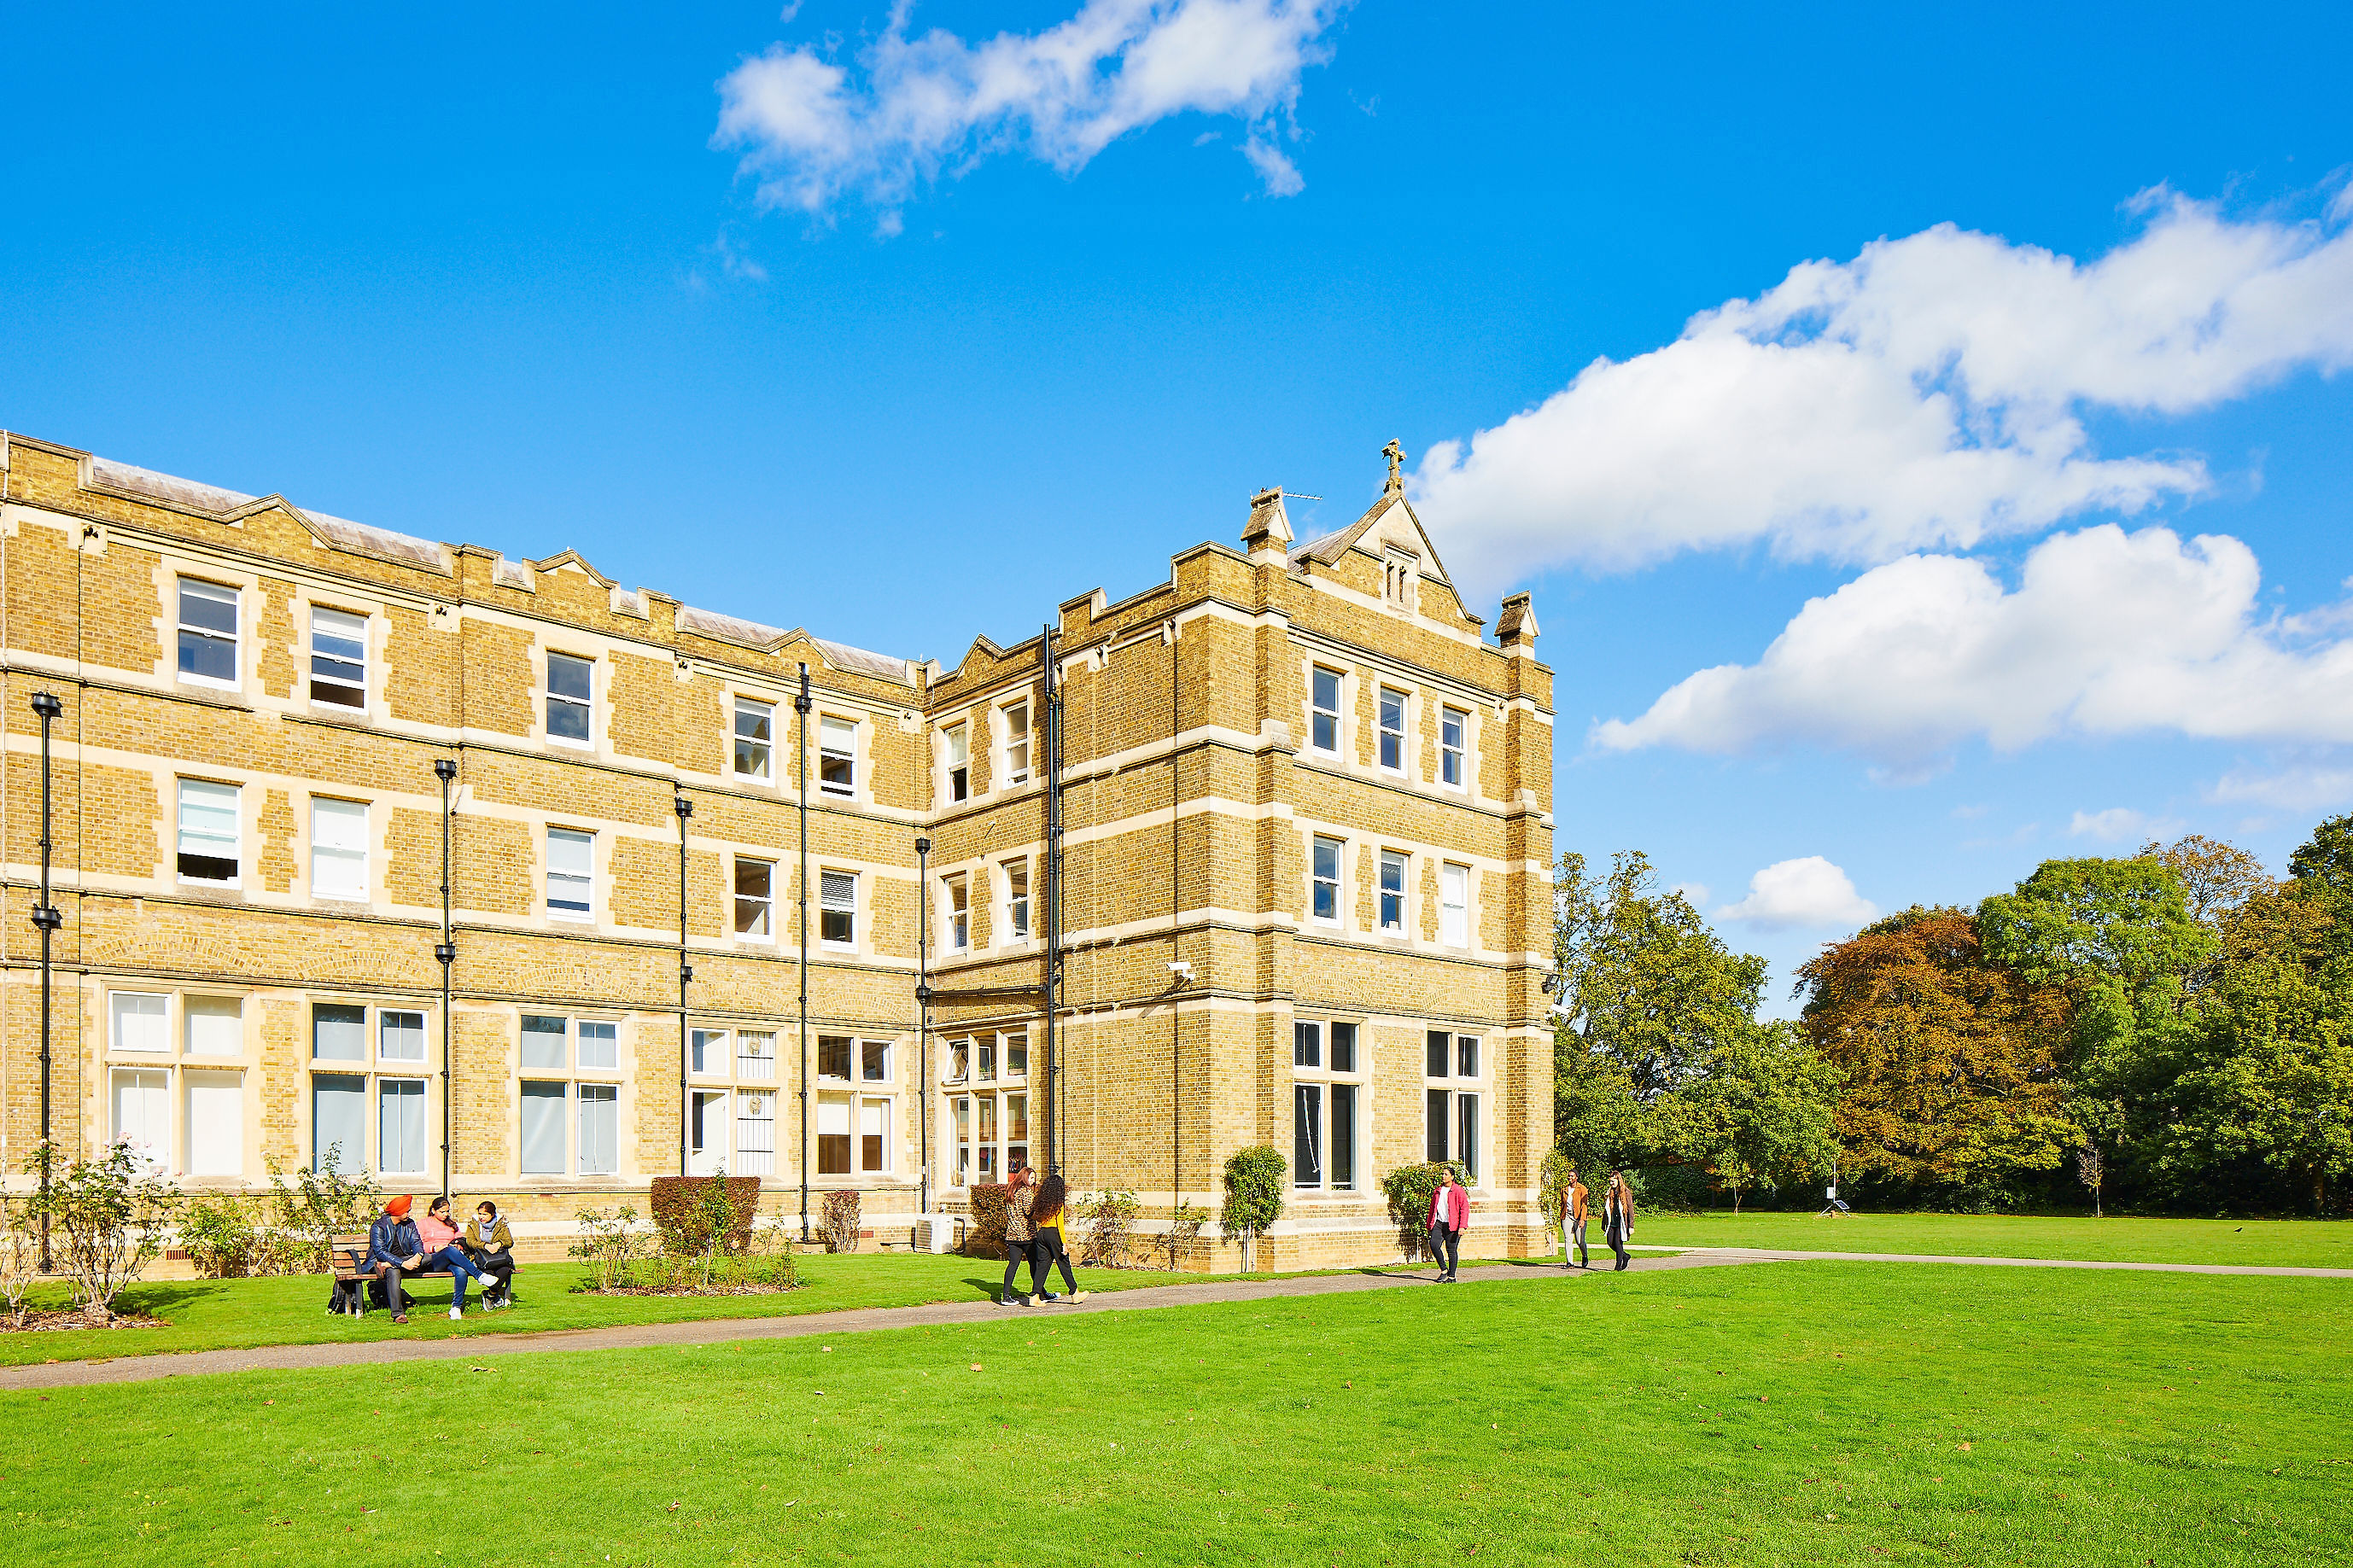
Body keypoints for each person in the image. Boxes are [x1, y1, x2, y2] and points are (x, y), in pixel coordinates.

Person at [416, 1194, 498, 1319]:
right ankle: (479, 1276)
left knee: (461, 1271)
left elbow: (459, 1240)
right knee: (449, 1250)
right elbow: (417, 1244)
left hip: (451, 1259)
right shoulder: (423, 1223)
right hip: (432, 1260)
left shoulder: (451, 1224)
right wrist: (434, 1248)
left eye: (447, 1211)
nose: (446, 1214)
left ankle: (456, 1307)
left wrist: (458, 1246)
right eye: (442, 1212)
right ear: (433, 1210)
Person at [1028, 1174, 1089, 1304]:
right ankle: (1075, 1293)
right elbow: (1060, 1224)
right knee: (1064, 1264)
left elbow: (1037, 1217)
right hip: (1054, 1234)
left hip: (1042, 1234)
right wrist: (1064, 1243)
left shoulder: (1042, 1203)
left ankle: (1034, 1296)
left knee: (1042, 1266)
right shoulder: (1058, 1204)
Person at [365, 1194, 426, 1325]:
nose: (409, 1213)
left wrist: (418, 1255)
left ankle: (388, 1265)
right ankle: (398, 1314)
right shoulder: (379, 1226)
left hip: (403, 1260)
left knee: (428, 1257)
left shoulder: (409, 1223)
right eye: (407, 1211)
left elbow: (416, 1242)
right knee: (393, 1271)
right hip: (379, 1262)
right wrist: (402, 1263)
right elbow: (380, 1252)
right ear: (398, 1211)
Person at [464, 1200, 517, 1308]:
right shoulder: (473, 1224)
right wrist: (485, 1246)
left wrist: (499, 1244)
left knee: (505, 1271)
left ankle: (490, 1295)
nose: (481, 1217)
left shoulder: (501, 1224)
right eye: (480, 1214)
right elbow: (470, 1242)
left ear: (492, 1214)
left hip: (499, 1258)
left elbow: (509, 1241)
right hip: (481, 1259)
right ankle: (495, 1296)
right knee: (489, 1274)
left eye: (485, 1214)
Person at [998, 1164, 1037, 1306]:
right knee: (1035, 1264)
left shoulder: (1011, 1190)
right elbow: (1029, 1211)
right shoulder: (1026, 1191)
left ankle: (1006, 1296)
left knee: (1013, 1265)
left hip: (1012, 1234)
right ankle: (1039, 1293)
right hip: (1026, 1234)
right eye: (1031, 1178)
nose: (1033, 1181)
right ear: (1025, 1177)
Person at [1426, 1167, 1468, 1283]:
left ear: (1452, 1177)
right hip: (1439, 1223)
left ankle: (1452, 1277)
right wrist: (1429, 1224)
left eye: (1446, 1174)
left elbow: (1464, 1208)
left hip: (1453, 1225)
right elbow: (1432, 1208)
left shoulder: (1458, 1190)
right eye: (1442, 1174)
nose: (1443, 1176)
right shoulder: (1438, 1190)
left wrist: (1462, 1226)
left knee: (1451, 1250)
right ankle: (1444, 1270)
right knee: (1434, 1245)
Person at [1603, 1169, 1635, 1272]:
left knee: (1618, 1243)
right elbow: (1606, 1210)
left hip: (1621, 1222)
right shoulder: (1610, 1192)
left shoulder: (1626, 1192)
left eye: (1613, 1181)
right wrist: (1603, 1223)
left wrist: (1631, 1226)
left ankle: (1618, 1266)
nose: (1611, 1183)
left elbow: (1630, 1209)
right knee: (1610, 1242)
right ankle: (1625, 1256)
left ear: (1618, 1180)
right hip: (1612, 1222)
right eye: (1610, 1181)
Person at [1562, 1166, 1589, 1270]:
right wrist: (1562, 1217)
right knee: (1568, 1239)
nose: (1570, 1178)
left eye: (1572, 1176)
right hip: (1567, 1216)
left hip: (1578, 1217)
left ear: (1576, 1177)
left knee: (1580, 1241)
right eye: (1569, 1176)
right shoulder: (1564, 1189)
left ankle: (1584, 1255)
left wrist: (1582, 1219)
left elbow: (1584, 1206)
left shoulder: (1582, 1189)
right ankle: (1570, 1262)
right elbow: (1562, 1204)